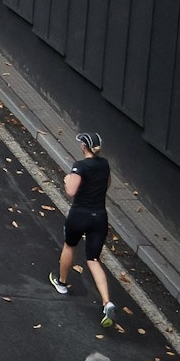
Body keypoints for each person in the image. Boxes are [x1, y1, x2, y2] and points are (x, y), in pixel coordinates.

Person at [49, 131, 117, 327]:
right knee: (93, 259)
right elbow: (108, 183)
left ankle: (61, 282)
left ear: (84, 147)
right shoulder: (104, 164)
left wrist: (67, 179)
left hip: (80, 215)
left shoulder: (80, 166)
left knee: (69, 246)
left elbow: (71, 191)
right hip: (100, 217)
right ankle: (107, 302)